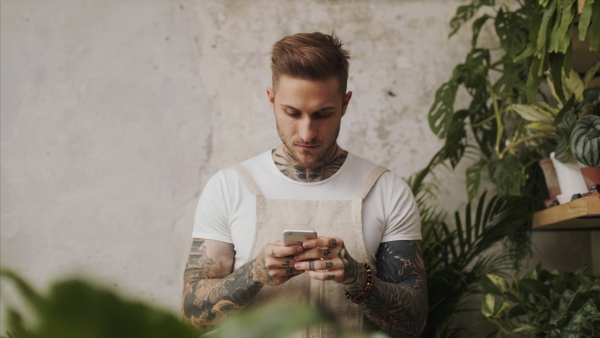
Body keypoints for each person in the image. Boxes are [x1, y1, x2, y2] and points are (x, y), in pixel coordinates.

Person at [181, 32, 427, 337]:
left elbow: (414, 323)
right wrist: (253, 274)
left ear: (345, 103)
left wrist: (357, 278)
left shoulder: (386, 190)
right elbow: (192, 317)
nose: (307, 133)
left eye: (323, 114)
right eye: (292, 113)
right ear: (271, 100)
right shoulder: (229, 187)